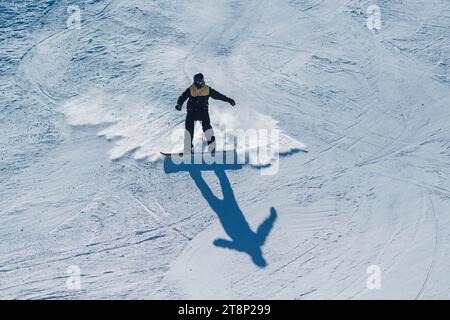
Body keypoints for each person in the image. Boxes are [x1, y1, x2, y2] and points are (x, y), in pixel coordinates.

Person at [175, 73, 236, 153]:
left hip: (203, 112)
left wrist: (229, 100)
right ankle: (188, 149)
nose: (198, 83)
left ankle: (212, 147)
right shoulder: (191, 89)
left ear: (202, 80)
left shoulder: (207, 89)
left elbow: (218, 95)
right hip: (191, 112)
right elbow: (182, 97)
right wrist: (179, 104)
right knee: (189, 130)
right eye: (196, 81)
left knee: (207, 128)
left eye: (200, 81)